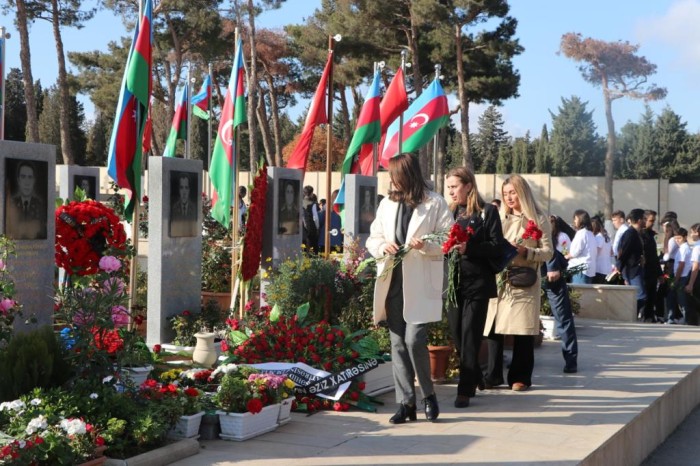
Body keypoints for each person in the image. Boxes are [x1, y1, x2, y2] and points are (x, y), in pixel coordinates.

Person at [366, 153, 453, 423]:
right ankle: (406, 403)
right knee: (397, 342)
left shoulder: (435, 202)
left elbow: (449, 239)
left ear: (407, 175)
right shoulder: (387, 204)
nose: (391, 180)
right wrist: (383, 247)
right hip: (393, 279)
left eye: (395, 175)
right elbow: (374, 237)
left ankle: (428, 396)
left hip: (420, 279)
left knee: (414, 339)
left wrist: (425, 246)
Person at [483, 174, 553, 392]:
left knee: (522, 331)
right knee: (494, 328)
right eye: (505, 194)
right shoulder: (499, 218)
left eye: (513, 192)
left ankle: (520, 376)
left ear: (522, 192)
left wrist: (526, 251)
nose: (509, 197)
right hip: (500, 280)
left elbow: (548, 252)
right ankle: (492, 375)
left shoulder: (539, 219)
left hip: (523, 281)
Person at [444, 167, 504, 408]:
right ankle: (476, 373)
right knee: (457, 334)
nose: (451, 191)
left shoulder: (487, 211)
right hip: (453, 283)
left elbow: (496, 246)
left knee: (470, 335)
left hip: (477, 283)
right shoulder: (448, 213)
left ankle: (464, 389)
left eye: (454, 186)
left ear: (468, 185)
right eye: (448, 187)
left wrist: (470, 248)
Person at [542, 215, 578, 373]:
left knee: (563, 318)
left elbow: (551, 250)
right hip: (530, 274)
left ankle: (571, 359)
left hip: (551, 276)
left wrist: (552, 267)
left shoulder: (560, 236)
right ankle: (520, 359)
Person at [616, 209, 646, 321]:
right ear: (638, 220)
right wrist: (619, 267)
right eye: (644, 219)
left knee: (639, 294)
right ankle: (633, 317)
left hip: (637, 268)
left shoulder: (636, 233)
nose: (645, 221)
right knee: (641, 295)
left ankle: (634, 317)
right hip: (631, 269)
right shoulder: (630, 233)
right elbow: (623, 252)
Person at [6, 160, 47, 240]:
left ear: (34, 180)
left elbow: (42, 230)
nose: (26, 182)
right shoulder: (11, 203)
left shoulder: (40, 205)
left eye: (30, 177)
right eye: (23, 177)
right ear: (18, 180)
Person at [641, 210, 662, 322]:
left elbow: (654, 256)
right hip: (644, 271)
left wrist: (660, 274)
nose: (653, 223)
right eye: (651, 220)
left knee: (651, 296)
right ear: (644, 220)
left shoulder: (650, 234)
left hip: (652, 271)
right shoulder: (640, 234)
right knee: (644, 296)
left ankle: (649, 316)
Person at [566, 209, 597, 284]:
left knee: (579, 293)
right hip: (589, 269)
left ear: (581, 220)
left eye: (576, 219)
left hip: (580, 270)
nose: (574, 221)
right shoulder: (590, 233)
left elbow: (574, 252)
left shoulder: (581, 233)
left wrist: (565, 256)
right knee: (586, 293)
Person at [671, 227, 691, 325]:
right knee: (679, 298)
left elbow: (681, 265)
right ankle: (682, 317)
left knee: (682, 299)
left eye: (679, 238)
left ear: (685, 237)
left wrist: (676, 279)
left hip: (683, 276)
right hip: (681, 276)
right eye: (675, 238)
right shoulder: (681, 248)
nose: (677, 240)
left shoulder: (684, 248)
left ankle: (686, 319)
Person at [170, 173, 198, 237]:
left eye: (186, 187)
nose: (184, 192)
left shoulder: (194, 208)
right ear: (178, 190)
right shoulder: (174, 208)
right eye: (181, 188)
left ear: (189, 190)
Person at [683, 223, 700, 326]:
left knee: (693, 302)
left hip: (697, 277)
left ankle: (693, 324)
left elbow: (695, 266)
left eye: (692, 232)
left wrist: (690, 284)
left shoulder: (697, 247)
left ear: (697, 233)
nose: (691, 235)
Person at [591, 216, 613, 283]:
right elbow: (611, 252)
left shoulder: (598, 237)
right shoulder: (606, 237)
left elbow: (594, 252)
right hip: (606, 268)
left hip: (599, 269)